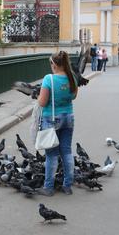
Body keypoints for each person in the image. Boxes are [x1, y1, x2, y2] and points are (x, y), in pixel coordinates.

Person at [37, 51, 78, 196]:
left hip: (51, 119)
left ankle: (48, 188)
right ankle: (67, 186)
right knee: (66, 151)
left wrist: (37, 97)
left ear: (54, 64)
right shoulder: (72, 77)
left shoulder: (49, 79)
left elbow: (42, 102)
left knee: (52, 154)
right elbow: (73, 96)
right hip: (69, 117)